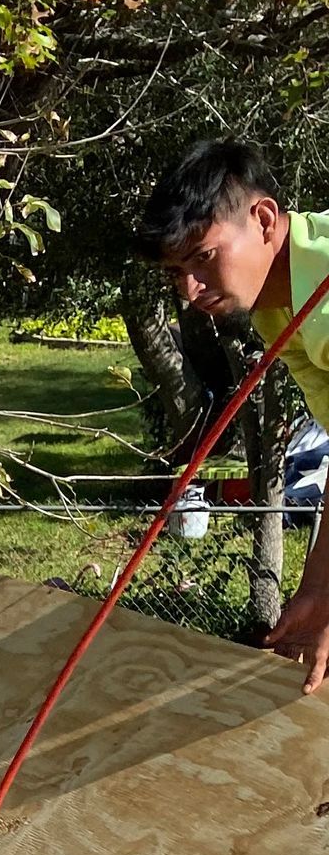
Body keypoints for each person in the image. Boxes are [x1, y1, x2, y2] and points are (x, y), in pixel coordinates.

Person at [137, 139, 329, 690]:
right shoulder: (280, 305)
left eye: (202, 257)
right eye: (177, 271)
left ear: (264, 219)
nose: (190, 289)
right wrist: (318, 590)